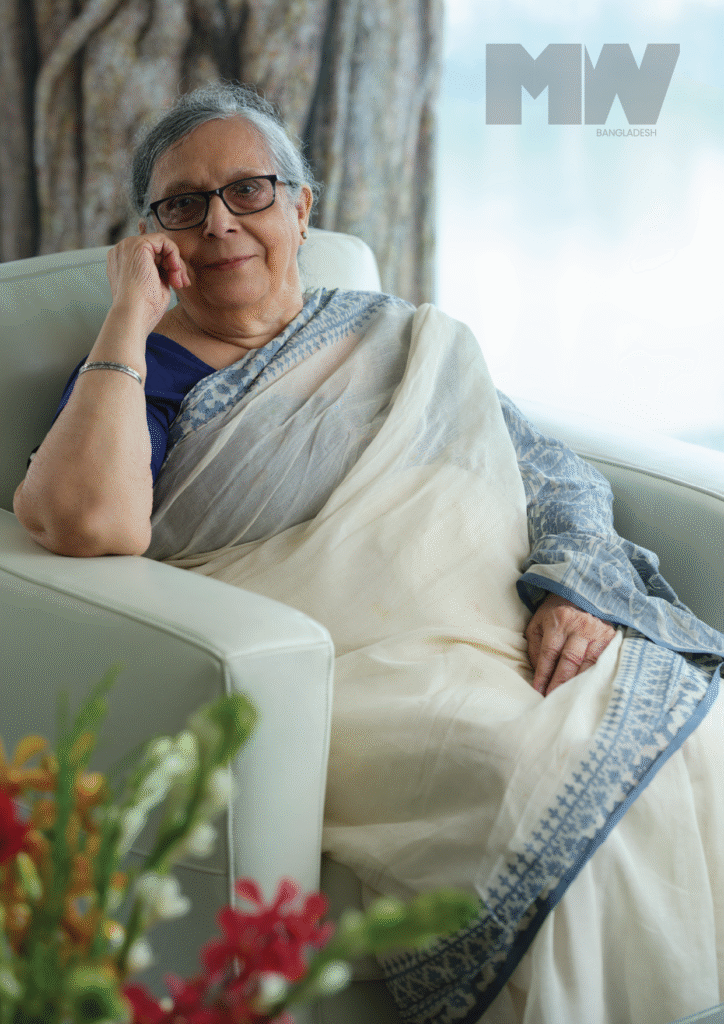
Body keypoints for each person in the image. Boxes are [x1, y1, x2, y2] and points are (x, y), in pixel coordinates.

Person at [12, 83, 724, 1023]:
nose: (219, 221)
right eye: (182, 204)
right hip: (348, 677)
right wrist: (126, 318)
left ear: (301, 209)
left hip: (512, 631)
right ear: (155, 237)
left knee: (700, 735)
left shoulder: (391, 333)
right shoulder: (145, 372)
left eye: (249, 190)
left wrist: (576, 590)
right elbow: (89, 524)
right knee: (525, 777)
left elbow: (549, 473)